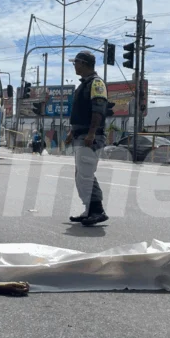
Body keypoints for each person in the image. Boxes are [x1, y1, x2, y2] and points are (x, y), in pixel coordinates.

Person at [64, 50, 109, 226]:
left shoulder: (96, 83)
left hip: (90, 136)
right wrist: (72, 132)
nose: (74, 66)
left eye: (75, 63)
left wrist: (91, 133)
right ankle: (89, 209)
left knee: (86, 174)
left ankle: (97, 210)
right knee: (81, 174)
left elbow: (98, 110)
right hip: (81, 134)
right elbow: (81, 114)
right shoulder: (84, 84)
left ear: (83, 63)